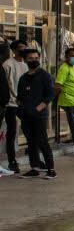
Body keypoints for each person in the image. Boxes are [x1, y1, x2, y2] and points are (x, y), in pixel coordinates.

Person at [16, 49, 56, 179]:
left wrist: (38, 109)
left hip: (39, 116)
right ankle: (34, 168)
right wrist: (21, 109)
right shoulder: (23, 78)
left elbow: (50, 95)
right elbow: (19, 97)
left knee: (42, 141)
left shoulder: (45, 75)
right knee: (31, 142)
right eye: (30, 58)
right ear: (25, 60)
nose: (34, 60)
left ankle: (51, 169)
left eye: (36, 58)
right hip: (26, 115)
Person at [4, 39, 27, 173]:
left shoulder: (26, 65)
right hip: (11, 104)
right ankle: (12, 160)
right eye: (20, 48)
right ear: (13, 50)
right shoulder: (8, 65)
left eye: (25, 47)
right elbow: (8, 84)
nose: (23, 50)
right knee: (12, 133)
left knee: (30, 130)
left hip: (24, 103)